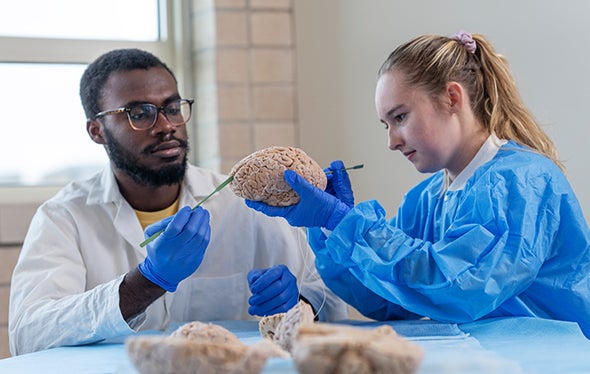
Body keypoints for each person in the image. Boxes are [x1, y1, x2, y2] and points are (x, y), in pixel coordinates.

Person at [246, 31, 590, 337]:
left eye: (400, 117)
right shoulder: (427, 199)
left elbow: (459, 287)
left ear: (452, 98)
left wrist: (345, 224)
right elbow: (388, 300)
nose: (392, 142)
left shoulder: (521, 182)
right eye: (386, 125)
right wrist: (332, 230)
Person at [8, 48, 347, 355]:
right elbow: (29, 334)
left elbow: (331, 302)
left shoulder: (245, 205)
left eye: (172, 107)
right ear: (97, 130)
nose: (167, 126)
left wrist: (300, 304)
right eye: (139, 114)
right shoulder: (65, 217)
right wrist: (147, 281)